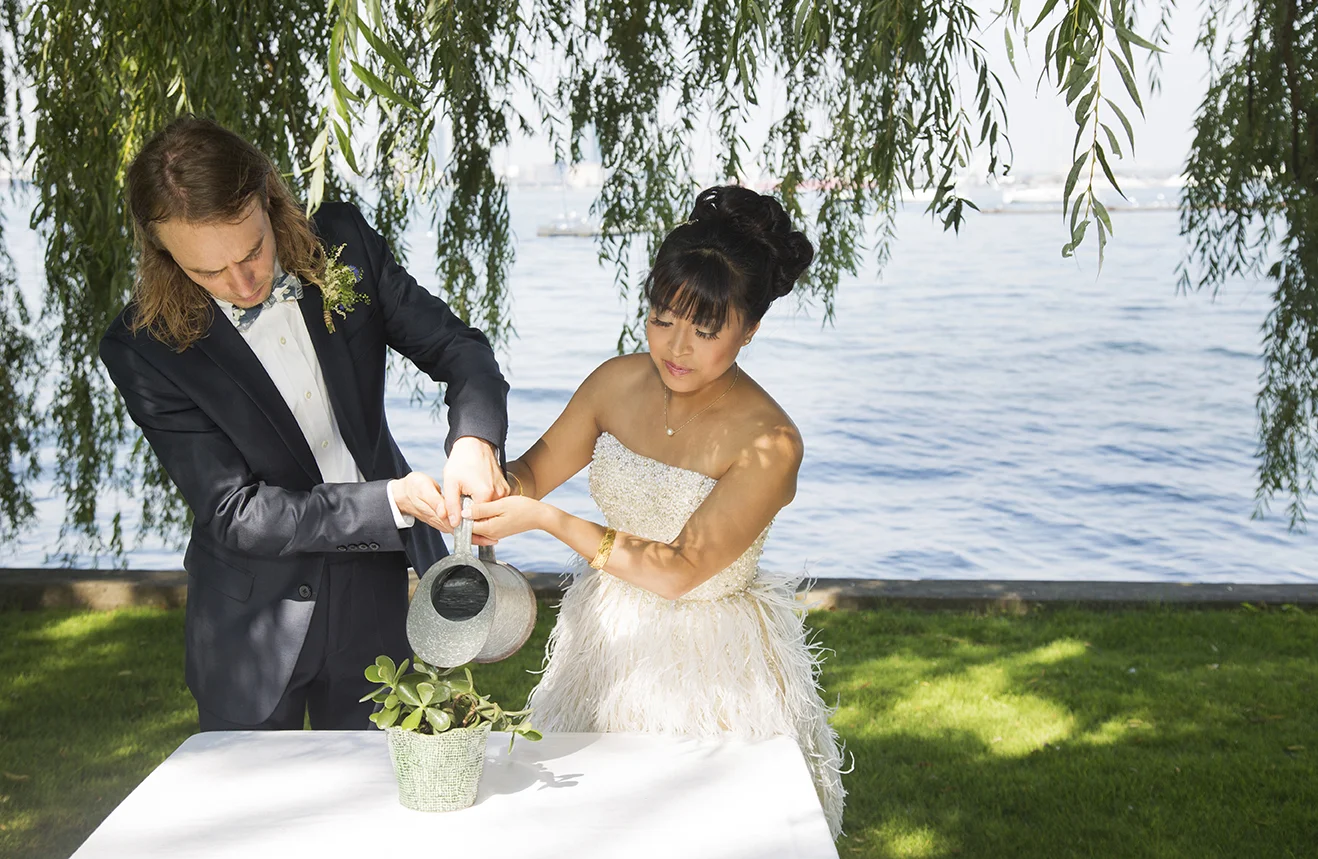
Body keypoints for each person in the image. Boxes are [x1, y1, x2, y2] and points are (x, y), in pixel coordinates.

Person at [98, 116, 510, 732]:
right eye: (207, 272)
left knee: (378, 802)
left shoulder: (341, 244)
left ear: (270, 198)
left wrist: (475, 441)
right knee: (252, 819)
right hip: (251, 624)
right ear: (163, 253)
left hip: (376, 595)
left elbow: (461, 350)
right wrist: (390, 501)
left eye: (252, 251)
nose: (242, 285)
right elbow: (237, 512)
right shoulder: (142, 347)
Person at [465, 185, 846, 837]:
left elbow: (679, 569)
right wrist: (481, 465)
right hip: (609, 642)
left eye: (705, 329)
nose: (676, 346)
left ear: (749, 329)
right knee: (581, 831)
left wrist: (552, 522)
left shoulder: (769, 442)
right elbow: (529, 475)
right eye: (663, 316)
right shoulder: (615, 382)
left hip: (714, 666)